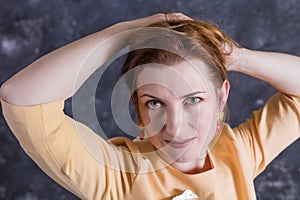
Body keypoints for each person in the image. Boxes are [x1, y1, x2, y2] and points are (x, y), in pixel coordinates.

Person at [0, 13, 299, 199]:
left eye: (193, 99)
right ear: (137, 109)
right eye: (155, 103)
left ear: (222, 96)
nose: (175, 126)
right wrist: (123, 34)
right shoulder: (117, 174)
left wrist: (237, 57)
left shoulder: (238, 151)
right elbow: (22, 97)